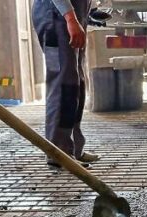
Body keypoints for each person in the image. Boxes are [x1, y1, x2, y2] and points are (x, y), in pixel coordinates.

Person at [32, 0, 100, 167]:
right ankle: (58, 152)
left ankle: (74, 148)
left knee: (76, 84)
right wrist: (70, 19)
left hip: (71, 15)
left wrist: (88, 12)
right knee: (63, 85)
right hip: (56, 18)